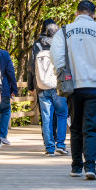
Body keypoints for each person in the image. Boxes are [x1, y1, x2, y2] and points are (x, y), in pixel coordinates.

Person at [50, 0, 96, 180]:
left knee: (75, 126)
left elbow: (57, 56)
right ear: (93, 15)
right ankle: (90, 166)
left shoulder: (64, 31)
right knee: (91, 127)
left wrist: (64, 74)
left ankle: (76, 166)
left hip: (73, 84)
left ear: (76, 13)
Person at [30, 21, 69, 156]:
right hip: (58, 86)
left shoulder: (37, 45)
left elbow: (31, 67)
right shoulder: (61, 45)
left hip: (42, 86)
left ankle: (49, 148)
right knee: (62, 115)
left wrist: (31, 85)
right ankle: (61, 145)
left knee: (46, 117)